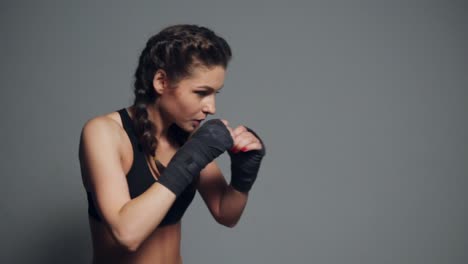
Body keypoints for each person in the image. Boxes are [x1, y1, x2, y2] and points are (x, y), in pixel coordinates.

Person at [78, 24, 266, 264]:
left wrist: (243, 175)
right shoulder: (105, 133)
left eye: (215, 93)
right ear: (161, 81)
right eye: (201, 92)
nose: (211, 108)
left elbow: (225, 212)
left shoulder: (186, 136)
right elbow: (126, 233)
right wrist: (193, 155)